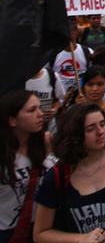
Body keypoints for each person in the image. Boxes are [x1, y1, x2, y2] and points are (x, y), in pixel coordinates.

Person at [34, 103, 105, 242]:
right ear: (75, 134)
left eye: (102, 124)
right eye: (90, 129)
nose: (100, 131)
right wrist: (81, 239)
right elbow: (40, 234)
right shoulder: (56, 177)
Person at [0, 91, 50, 242]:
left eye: (39, 108)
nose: (40, 114)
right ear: (12, 120)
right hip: (7, 233)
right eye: (31, 110)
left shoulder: (46, 147)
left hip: (41, 229)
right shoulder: (4, 157)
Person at [52, 22, 92, 94]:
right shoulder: (52, 54)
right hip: (62, 98)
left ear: (76, 32)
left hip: (82, 95)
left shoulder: (87, 51)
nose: (66, 36)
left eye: (69, 32)